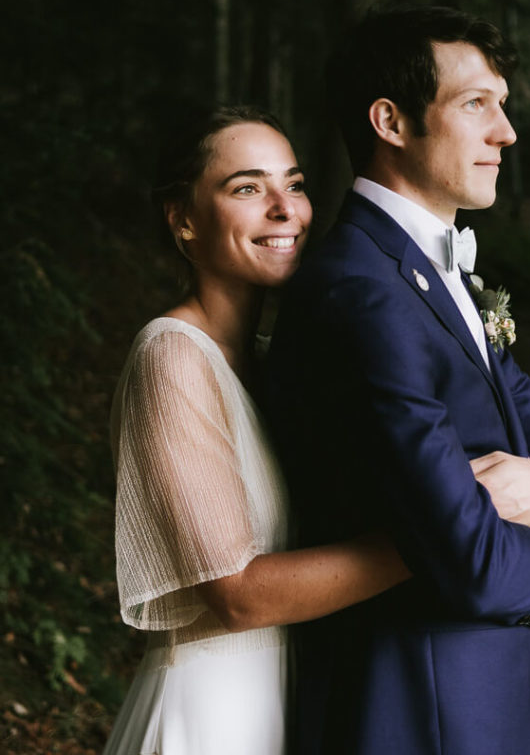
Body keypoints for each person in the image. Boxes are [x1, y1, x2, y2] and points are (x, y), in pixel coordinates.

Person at [265, 6, 530, 755]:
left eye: (503, 105)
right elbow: (468, 561)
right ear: (389, 121)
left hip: (484, 697)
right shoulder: (359, 289)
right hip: (422, 709)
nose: (504, 132)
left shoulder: (431, 273)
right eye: (475, 104)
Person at [103, 106, 413, 755]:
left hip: (283, 702)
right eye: (247, 188)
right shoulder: (171, 356)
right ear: (181, 219)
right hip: (213, 715)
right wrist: (441, 540)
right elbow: (237, 595)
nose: (285, 209)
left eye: (294, 184)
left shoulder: (273, 361)